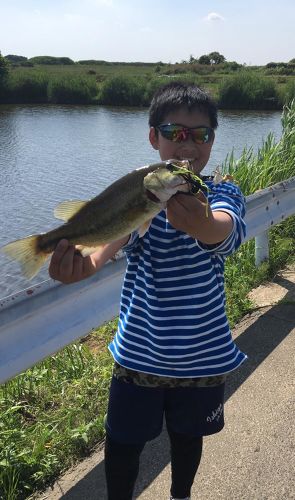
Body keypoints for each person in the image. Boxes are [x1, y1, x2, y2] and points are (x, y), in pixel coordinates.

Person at [49, 81, 247, 500]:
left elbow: (224, 231)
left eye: (201, 134)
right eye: (175, 133)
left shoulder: (223, 190)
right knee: (122, 445)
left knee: (187, 441)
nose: (187, 145)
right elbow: (105, 246)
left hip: (202, 357)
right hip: (139, 353)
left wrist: (201, 225)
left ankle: (181, 496)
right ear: (153, 137)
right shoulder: (143, 192)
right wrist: (81, 266)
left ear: (213, 138)